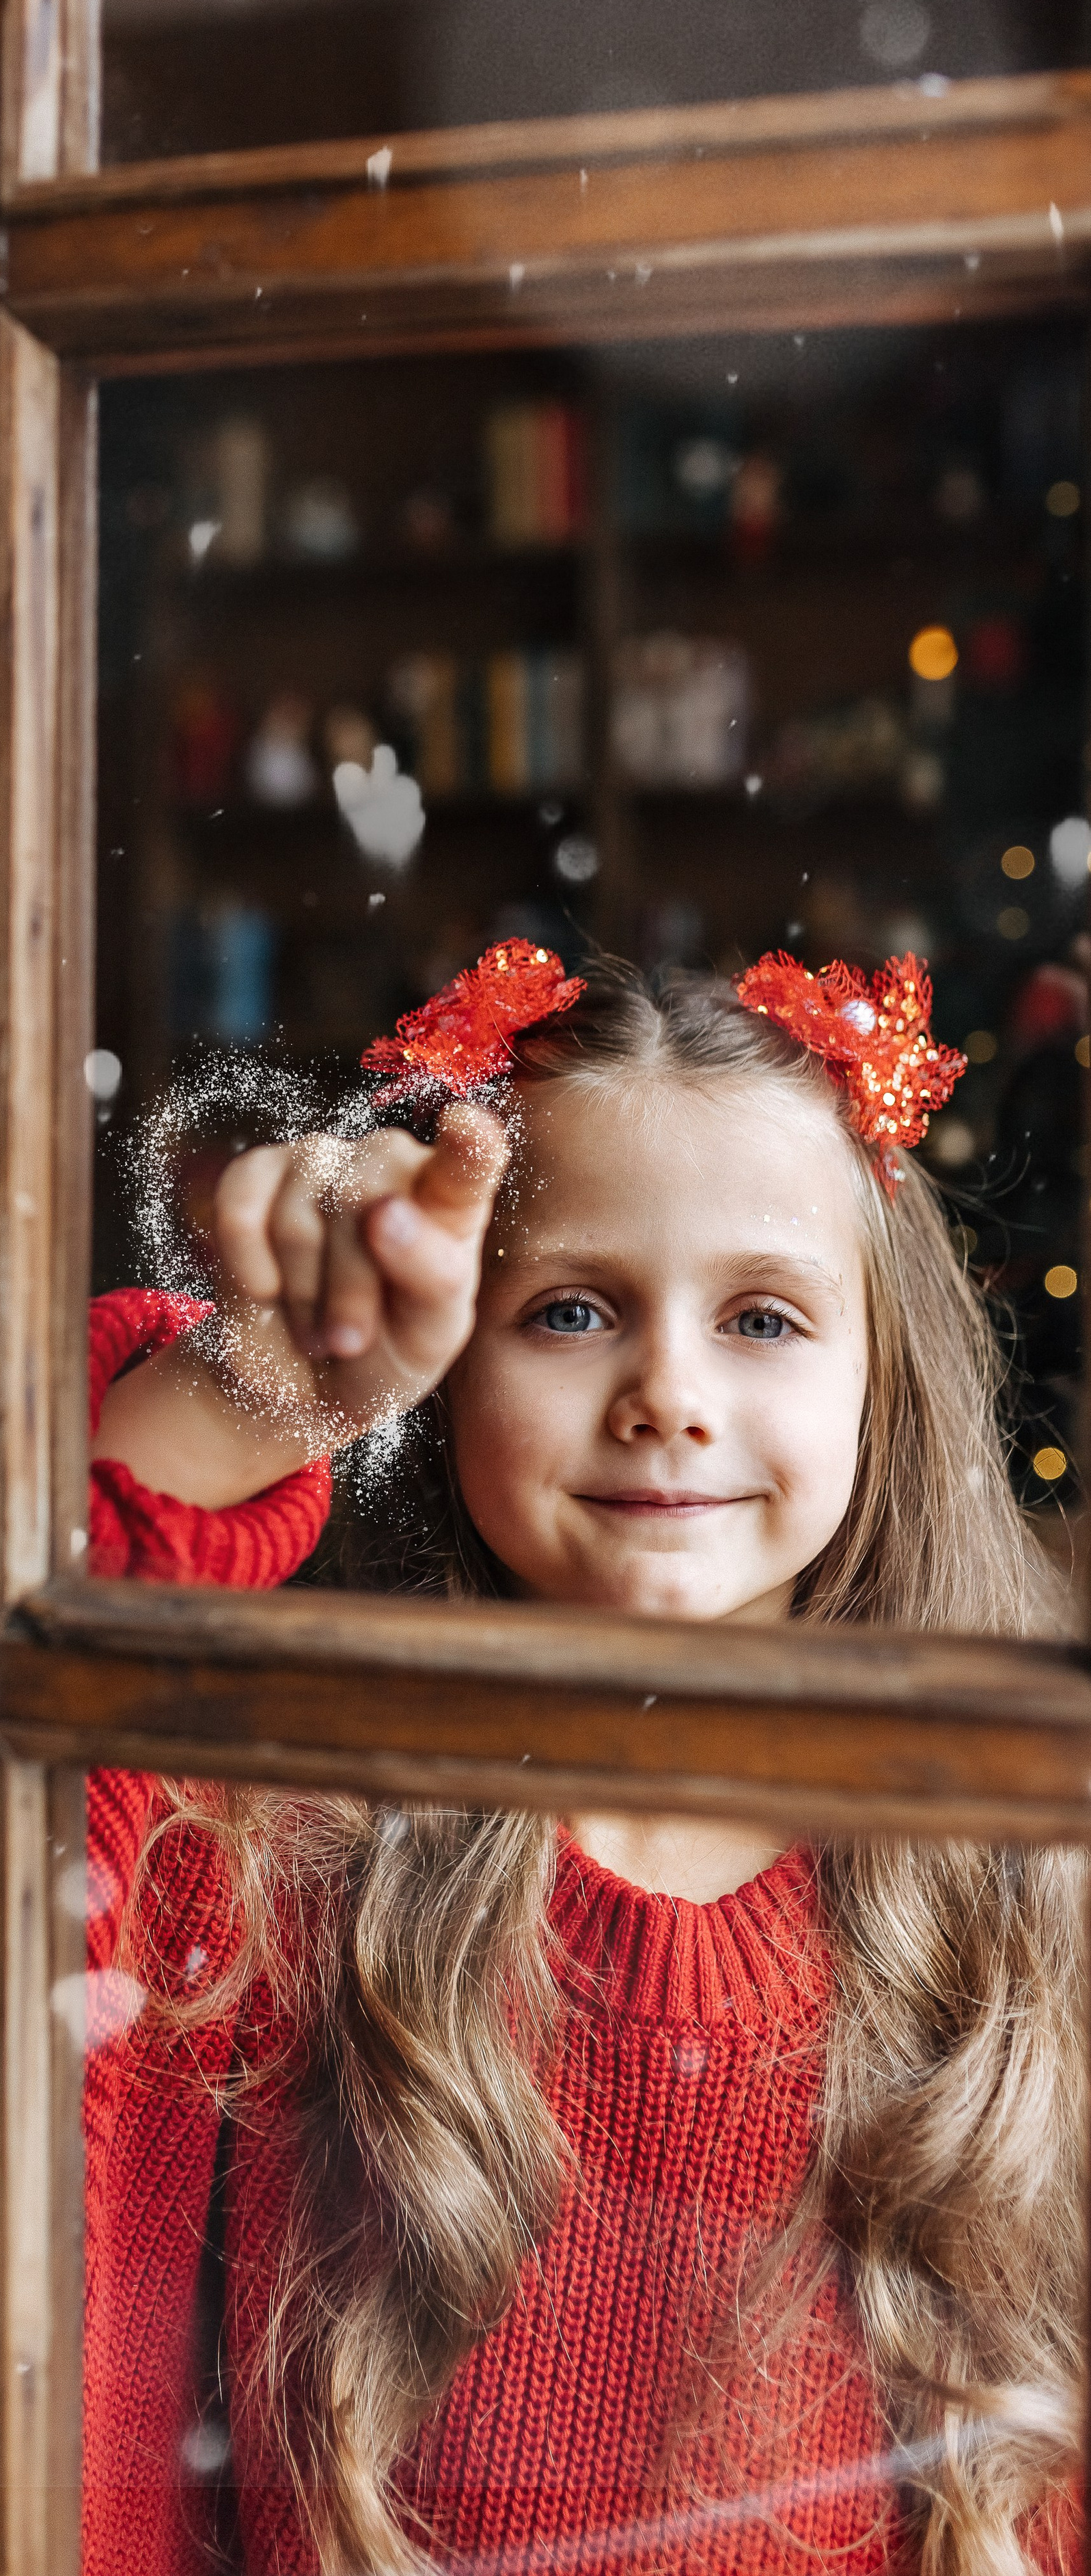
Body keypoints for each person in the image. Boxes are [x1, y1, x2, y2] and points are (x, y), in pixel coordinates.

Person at [79, 944, 1083, 2576]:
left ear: (878, 1380)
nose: (667, 1395)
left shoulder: (1016, 1883)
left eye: (761, 1315)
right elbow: (7, 1794)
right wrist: (268, 1387)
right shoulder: (290, 1851)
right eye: (567, 1310)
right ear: (449, 1360)